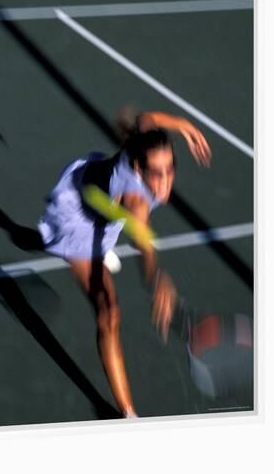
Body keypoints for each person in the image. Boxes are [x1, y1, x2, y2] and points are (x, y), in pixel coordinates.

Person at [37, 109, 211, 418]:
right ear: (137, 168)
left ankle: (46, 239)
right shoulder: (136, 200)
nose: (166, 180)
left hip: (104, 204)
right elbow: (144, 247)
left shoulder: (141, 145)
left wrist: (184, 126)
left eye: (171, 168)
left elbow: (147, 119)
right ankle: (128, 416)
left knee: (101, 234)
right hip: (78, 216)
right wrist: (158, 280)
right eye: (157, 173)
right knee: (109, 313)